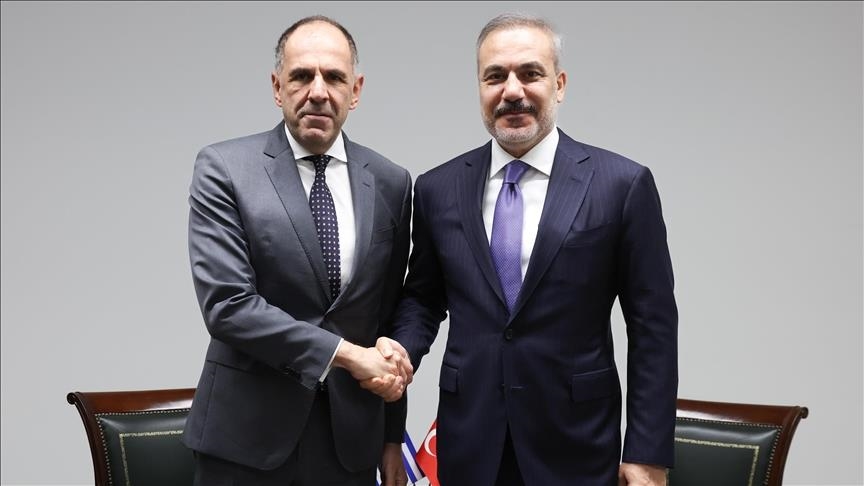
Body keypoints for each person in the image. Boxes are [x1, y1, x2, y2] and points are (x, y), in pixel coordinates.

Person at [386, 13, 678, 486]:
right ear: (480, 88)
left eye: (530, 73)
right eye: (495, 76)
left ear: (559, 84)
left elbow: (653, 327)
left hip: (577, 445)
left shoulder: (621, 186)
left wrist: (647, 453)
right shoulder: (438, 188)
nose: (512, 90)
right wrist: (400, 351)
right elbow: (423, 298)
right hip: (469, 443)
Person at [181, 15, 413, 486]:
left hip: (350, 446)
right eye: (302, 76)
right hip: (244, 443)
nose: (318, 92)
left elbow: (386, 318)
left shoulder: (392, 182)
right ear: (277, 86)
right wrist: (346, 354)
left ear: (356, 90)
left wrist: (392, 436)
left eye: (334, 77)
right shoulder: (224, 168)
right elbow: (228, 306)